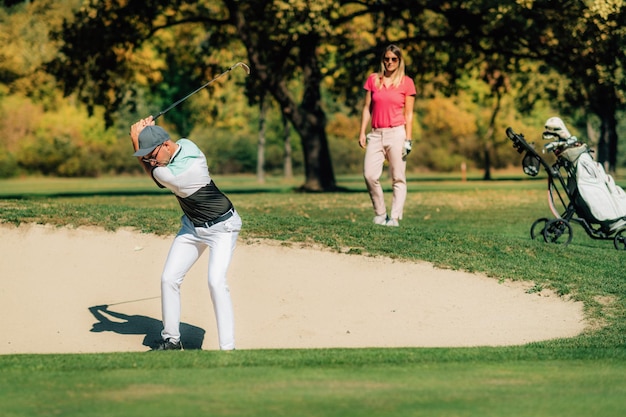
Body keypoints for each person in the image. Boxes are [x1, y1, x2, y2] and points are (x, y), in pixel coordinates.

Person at [129, 117, 242, 351]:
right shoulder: (187, 144)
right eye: (148, 156)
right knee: (169, 278)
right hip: (192, 227)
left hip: (224, 227)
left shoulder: (177, 173)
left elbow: (150, 171)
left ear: (166, 146)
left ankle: (228, 349)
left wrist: (134, 138)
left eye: (152, 155)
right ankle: (172, 340)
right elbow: (151, 157)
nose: (151, 160)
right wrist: (148, 133)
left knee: (216, 281)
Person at [358, 44, 416, 227]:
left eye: (394, 59)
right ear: (382, 60)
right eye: (386, 59)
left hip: (397, 133)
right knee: (369, 175)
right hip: (375, 134)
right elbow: (367, 108)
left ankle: (395, 217)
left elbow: (409, 114)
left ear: (399, 61)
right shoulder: (374, 80)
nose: (389, 62)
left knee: (398, 177)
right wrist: (362, 131)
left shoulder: (407, 82)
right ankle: (381, 213)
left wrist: (408, 139)